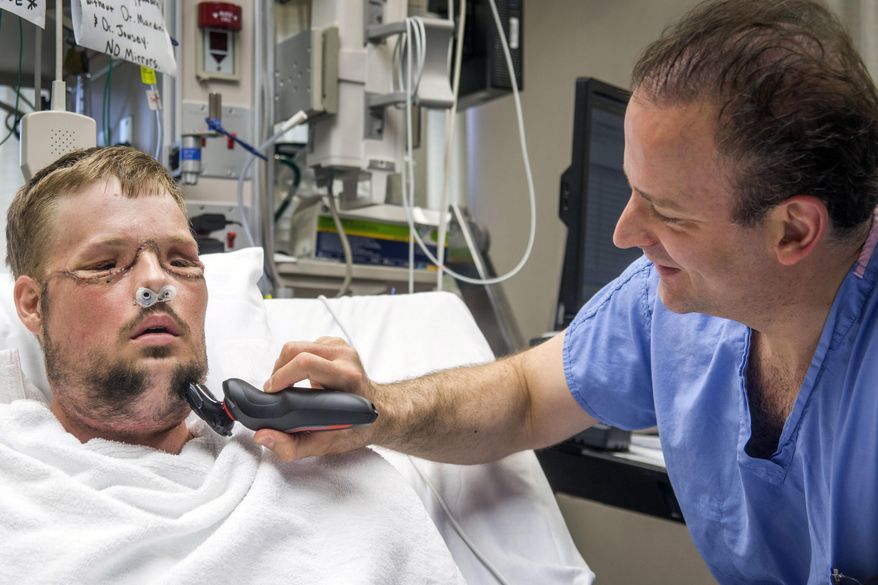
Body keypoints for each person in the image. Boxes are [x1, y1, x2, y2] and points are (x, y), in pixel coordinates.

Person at [254, 0, 878, 582]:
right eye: (632, 190)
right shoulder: (670, 310)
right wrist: (378, 411)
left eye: (667, 212)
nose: (625, 231)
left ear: (792, 230)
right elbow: (525, 397)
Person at [0, 146, 465, 584]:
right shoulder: (15, 488)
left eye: (181, 260)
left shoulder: (325, 476)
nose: (156, 282)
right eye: (106, 264)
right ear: (33, 304)